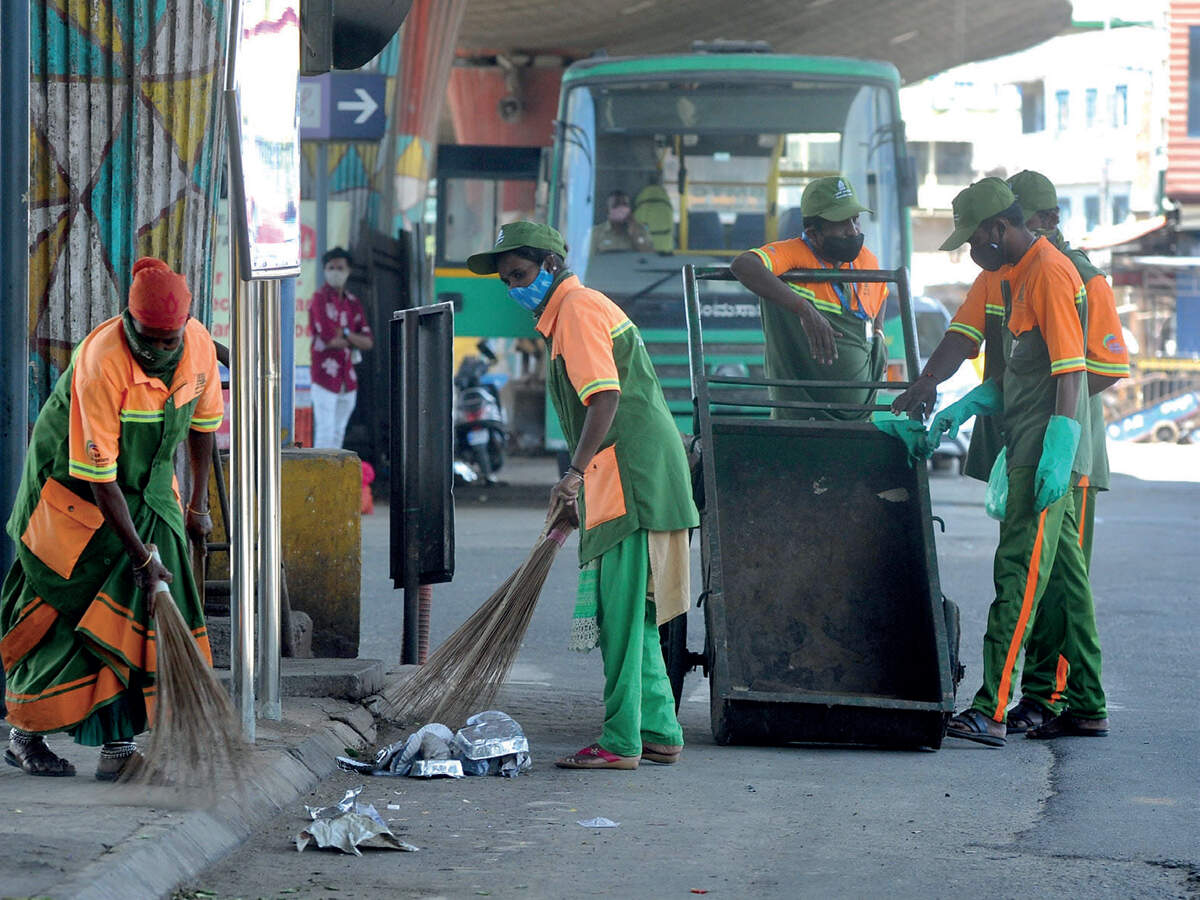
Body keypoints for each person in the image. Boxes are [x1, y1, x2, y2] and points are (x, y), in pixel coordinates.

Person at [893, 171, 1127, 739]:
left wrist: (1058, 444)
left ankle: (990, 709)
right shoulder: (1011, 276)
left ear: (1002, 227)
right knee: (1067, 581)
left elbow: (1072, 370)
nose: (971, 252)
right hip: (1027, 441)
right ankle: (1088, 703)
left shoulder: (1048, 271)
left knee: (1017, 575)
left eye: (974, 240)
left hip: (1043, 451)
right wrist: (959, 404)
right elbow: (1013, 373)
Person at [467, 222, 698, 770]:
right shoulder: (576, 309)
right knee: (634, 614)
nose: (513, 287)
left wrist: (572, 475)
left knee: (620, 616)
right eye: (505, 280)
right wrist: (580, 484)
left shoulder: (575, 309)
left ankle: (621, 743)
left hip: (633, 475)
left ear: (550, 265)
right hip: (629, 471)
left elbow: (605, 397)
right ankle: (659, 729)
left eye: (520, 274)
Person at [1, 257, 223, 779]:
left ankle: (118, 752)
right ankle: (24, 734)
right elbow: (99, 477)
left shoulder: (198, 347)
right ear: (130, 321)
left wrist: (196, 508)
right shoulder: (102, 360)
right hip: (74, 497)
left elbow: (202, 428)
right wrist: (141, 557)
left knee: (136, 624)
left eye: (171, 339)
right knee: (69, 623)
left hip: (147, 494)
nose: (162, 349)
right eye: (151, 338)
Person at [729, 175, 888, 420]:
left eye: (855, 220)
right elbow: (743, 265)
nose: (853, 231)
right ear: (813, 233)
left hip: (862, 419)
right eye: (841, 223)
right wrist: (805, 311)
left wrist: (878, 332)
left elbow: (882, 294)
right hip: (803, 421)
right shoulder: (793, 254)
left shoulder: (867, 260)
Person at [309, 247, 373, 449]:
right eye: (331, 267)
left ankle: (333, 479)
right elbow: (328, 338)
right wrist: (353, 338)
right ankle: (321, 479)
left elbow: (368, 341)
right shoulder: (319, 299)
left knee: (339, 435)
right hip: (324, 377)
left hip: (348, 379)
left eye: (340, 267)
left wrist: (344, 333)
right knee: (325, 434)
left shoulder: (353, 302)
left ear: (348, 271)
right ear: (325, 270)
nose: (335, 271)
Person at [590, 190, 655, 254]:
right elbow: (587, 259)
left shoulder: (641, 229)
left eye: (625, 205)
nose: (621, 209)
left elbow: (649, 254)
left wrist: (635, 233)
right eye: (616, 205)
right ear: (607, 211)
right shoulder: (596, 233)